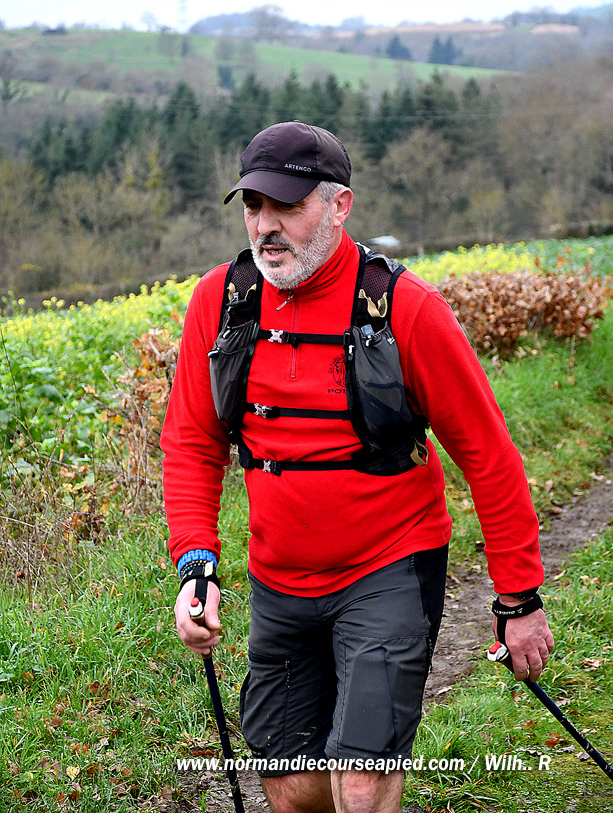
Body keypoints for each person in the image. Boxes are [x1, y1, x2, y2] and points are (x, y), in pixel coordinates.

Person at [161, 121, 554, 813]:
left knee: (362, 779)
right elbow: (192, 442)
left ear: (339, 205)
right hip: (279, 579)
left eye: (287, 205)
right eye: (253, 205)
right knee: (291, 785)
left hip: (389, 568)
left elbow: (488, 456)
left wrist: (517, 598)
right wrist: (197, 565)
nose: (266, 225)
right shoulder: (220, 303)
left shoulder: (408, 309)